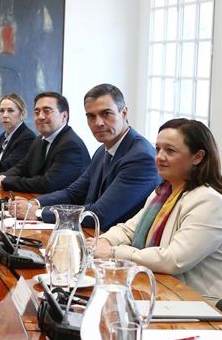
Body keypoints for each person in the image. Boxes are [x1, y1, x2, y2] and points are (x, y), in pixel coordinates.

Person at [95, 119, 222, 299]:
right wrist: (104, 241)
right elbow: (128, 229)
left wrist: (114, 252)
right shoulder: (163, 191)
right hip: (159, 288)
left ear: (198, 157)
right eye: (158, 149)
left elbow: (173, 260)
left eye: (170, 150)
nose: (160, 157)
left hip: (196, 302)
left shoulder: (209, 200)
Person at [11, 84, 160, 231]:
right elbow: (73, 193)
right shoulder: (102, 150)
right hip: (94, 234)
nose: (98, 123)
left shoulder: (141, 158)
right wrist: (35, 203)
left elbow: (100, 215)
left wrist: (38, 213)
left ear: (124, 113)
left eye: (106, 113)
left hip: (116, 241)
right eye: (91, 116)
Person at [0, 92, 90, 193]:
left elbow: (48, 184)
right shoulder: (39, 141)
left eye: (47, 111)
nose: (40, 116)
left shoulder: (70, 145)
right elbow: (22, 168)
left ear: (64, 116)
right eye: (37, 112)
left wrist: (4, 182)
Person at [0, 93, 36, 173]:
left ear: (22, 114)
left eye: (10, 111)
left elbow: (7, 166)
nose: (5, 115)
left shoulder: (27, 137)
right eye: (2, 111)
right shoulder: (3, 136)